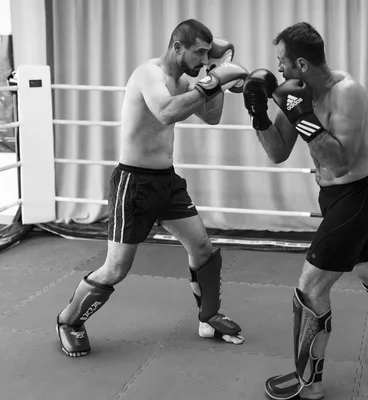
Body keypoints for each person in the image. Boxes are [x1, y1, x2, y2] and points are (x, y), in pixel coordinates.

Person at [242, 22, 368, 399]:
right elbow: (277, 153)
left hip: (356, 199)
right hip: (333, 199)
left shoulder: (348, 92)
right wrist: (259, 114)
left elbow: (338, 162)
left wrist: (300, 113)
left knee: (309, 288)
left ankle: (310, 384)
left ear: (301, 63)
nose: (279, 70)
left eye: (283, 62)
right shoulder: (296, 93)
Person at [56, 19, 249, 357]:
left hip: (167, 182)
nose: (203, 59)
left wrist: (217, 74)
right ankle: (69, 321)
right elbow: (165, 112)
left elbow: (212, 117)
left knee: (202, 247)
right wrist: (215, 79)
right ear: (177, 47)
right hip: (134, 182)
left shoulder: (188, 80)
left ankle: (208, 317)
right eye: (199, 52)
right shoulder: (149, 75)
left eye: (207, 53)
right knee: (117, 267)